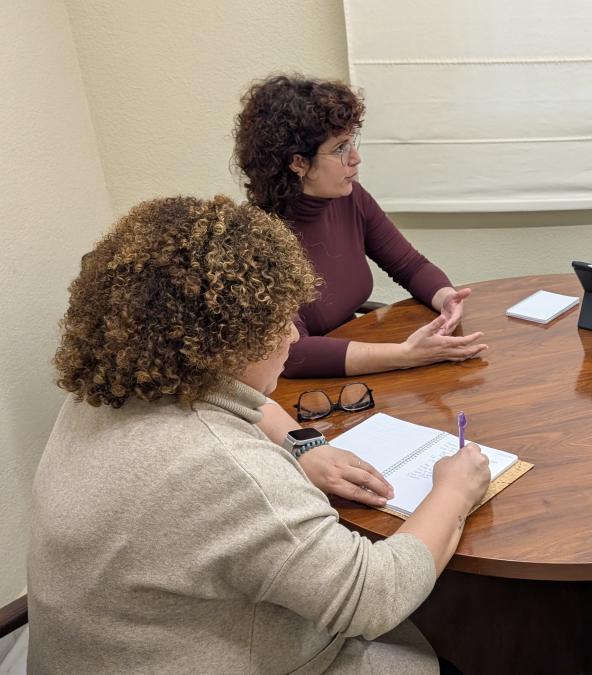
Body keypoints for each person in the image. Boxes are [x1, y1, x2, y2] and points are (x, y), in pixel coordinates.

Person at [28, 196, 488, 674]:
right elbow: (374, 596)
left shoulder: (104, 394)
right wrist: (455, 492)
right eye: (280, 321)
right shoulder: (223, 466)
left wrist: (302, 444)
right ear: (228, 341)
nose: (293, 336)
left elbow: (244, 402)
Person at [233, 74, 487, 380]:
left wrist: (446, 298)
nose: (355, 158)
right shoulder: (256, 238)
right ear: (298, 163)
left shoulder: (350, 198)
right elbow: (293, 354)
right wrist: (405, 355)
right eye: (340, 148)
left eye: (352, 142)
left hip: (358, 365)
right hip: (311, 386)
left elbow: (410, 265)